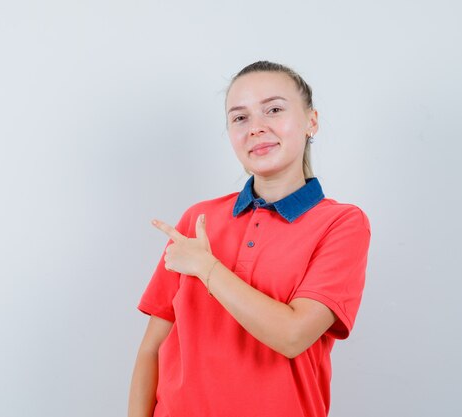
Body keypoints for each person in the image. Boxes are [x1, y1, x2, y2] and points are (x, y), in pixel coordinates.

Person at [128, 61, 372, 417]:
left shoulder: (342, 224)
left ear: (311, 121)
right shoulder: (198, 219)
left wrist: (207, 268)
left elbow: (292, 335)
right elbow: (152, 347)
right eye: (239, 118)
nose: (256, 128)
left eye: (273, 109)